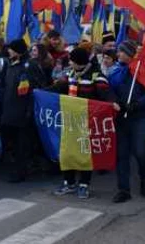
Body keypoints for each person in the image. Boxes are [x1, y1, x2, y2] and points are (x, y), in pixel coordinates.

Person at [49, 47, 116, 199]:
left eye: (72, 60)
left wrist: (113, 103)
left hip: (87, 123)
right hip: (70, 121)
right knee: (67, 153)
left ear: (78, 62)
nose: (70, 63)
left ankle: (84, 185)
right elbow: (58, 87)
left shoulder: (96, 77)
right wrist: (40, 92)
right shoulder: (70, 74)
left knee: (85, 154)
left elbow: (107, 95)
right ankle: (69, 182)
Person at [108, 40, 145, 203]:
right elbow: (108, 89)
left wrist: (137, 104)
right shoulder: (114, 71)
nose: (118, 54)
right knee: (122, 155)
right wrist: (117, 103)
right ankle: (123, 189)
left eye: (121, 52)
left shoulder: (143, 70)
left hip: (138, 118)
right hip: (121, 118)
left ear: (129, 54)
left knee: (141, 152)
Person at [0, 39, 47, 182]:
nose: (9, 51)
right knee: (12, 143)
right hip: (10, 110)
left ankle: (21, 171)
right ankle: (15, 168)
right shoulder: (10, 65)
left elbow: (39, 86)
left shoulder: (29, 65)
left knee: (22, 144)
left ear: (18, 50)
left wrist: (30, 110)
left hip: (24, 111)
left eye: (12, 49)